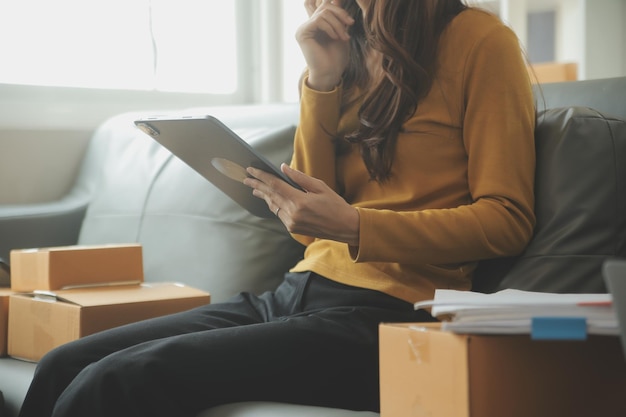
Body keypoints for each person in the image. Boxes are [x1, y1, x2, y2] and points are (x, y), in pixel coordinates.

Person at [18, 0, 536, 416]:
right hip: (296, 292)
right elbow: (312, 233)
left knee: (119, 380)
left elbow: (507, 218)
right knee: (65, 362)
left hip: (391, 315)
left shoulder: (481, 42)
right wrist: (322, 79)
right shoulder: (342, 51)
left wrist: (358, 225)